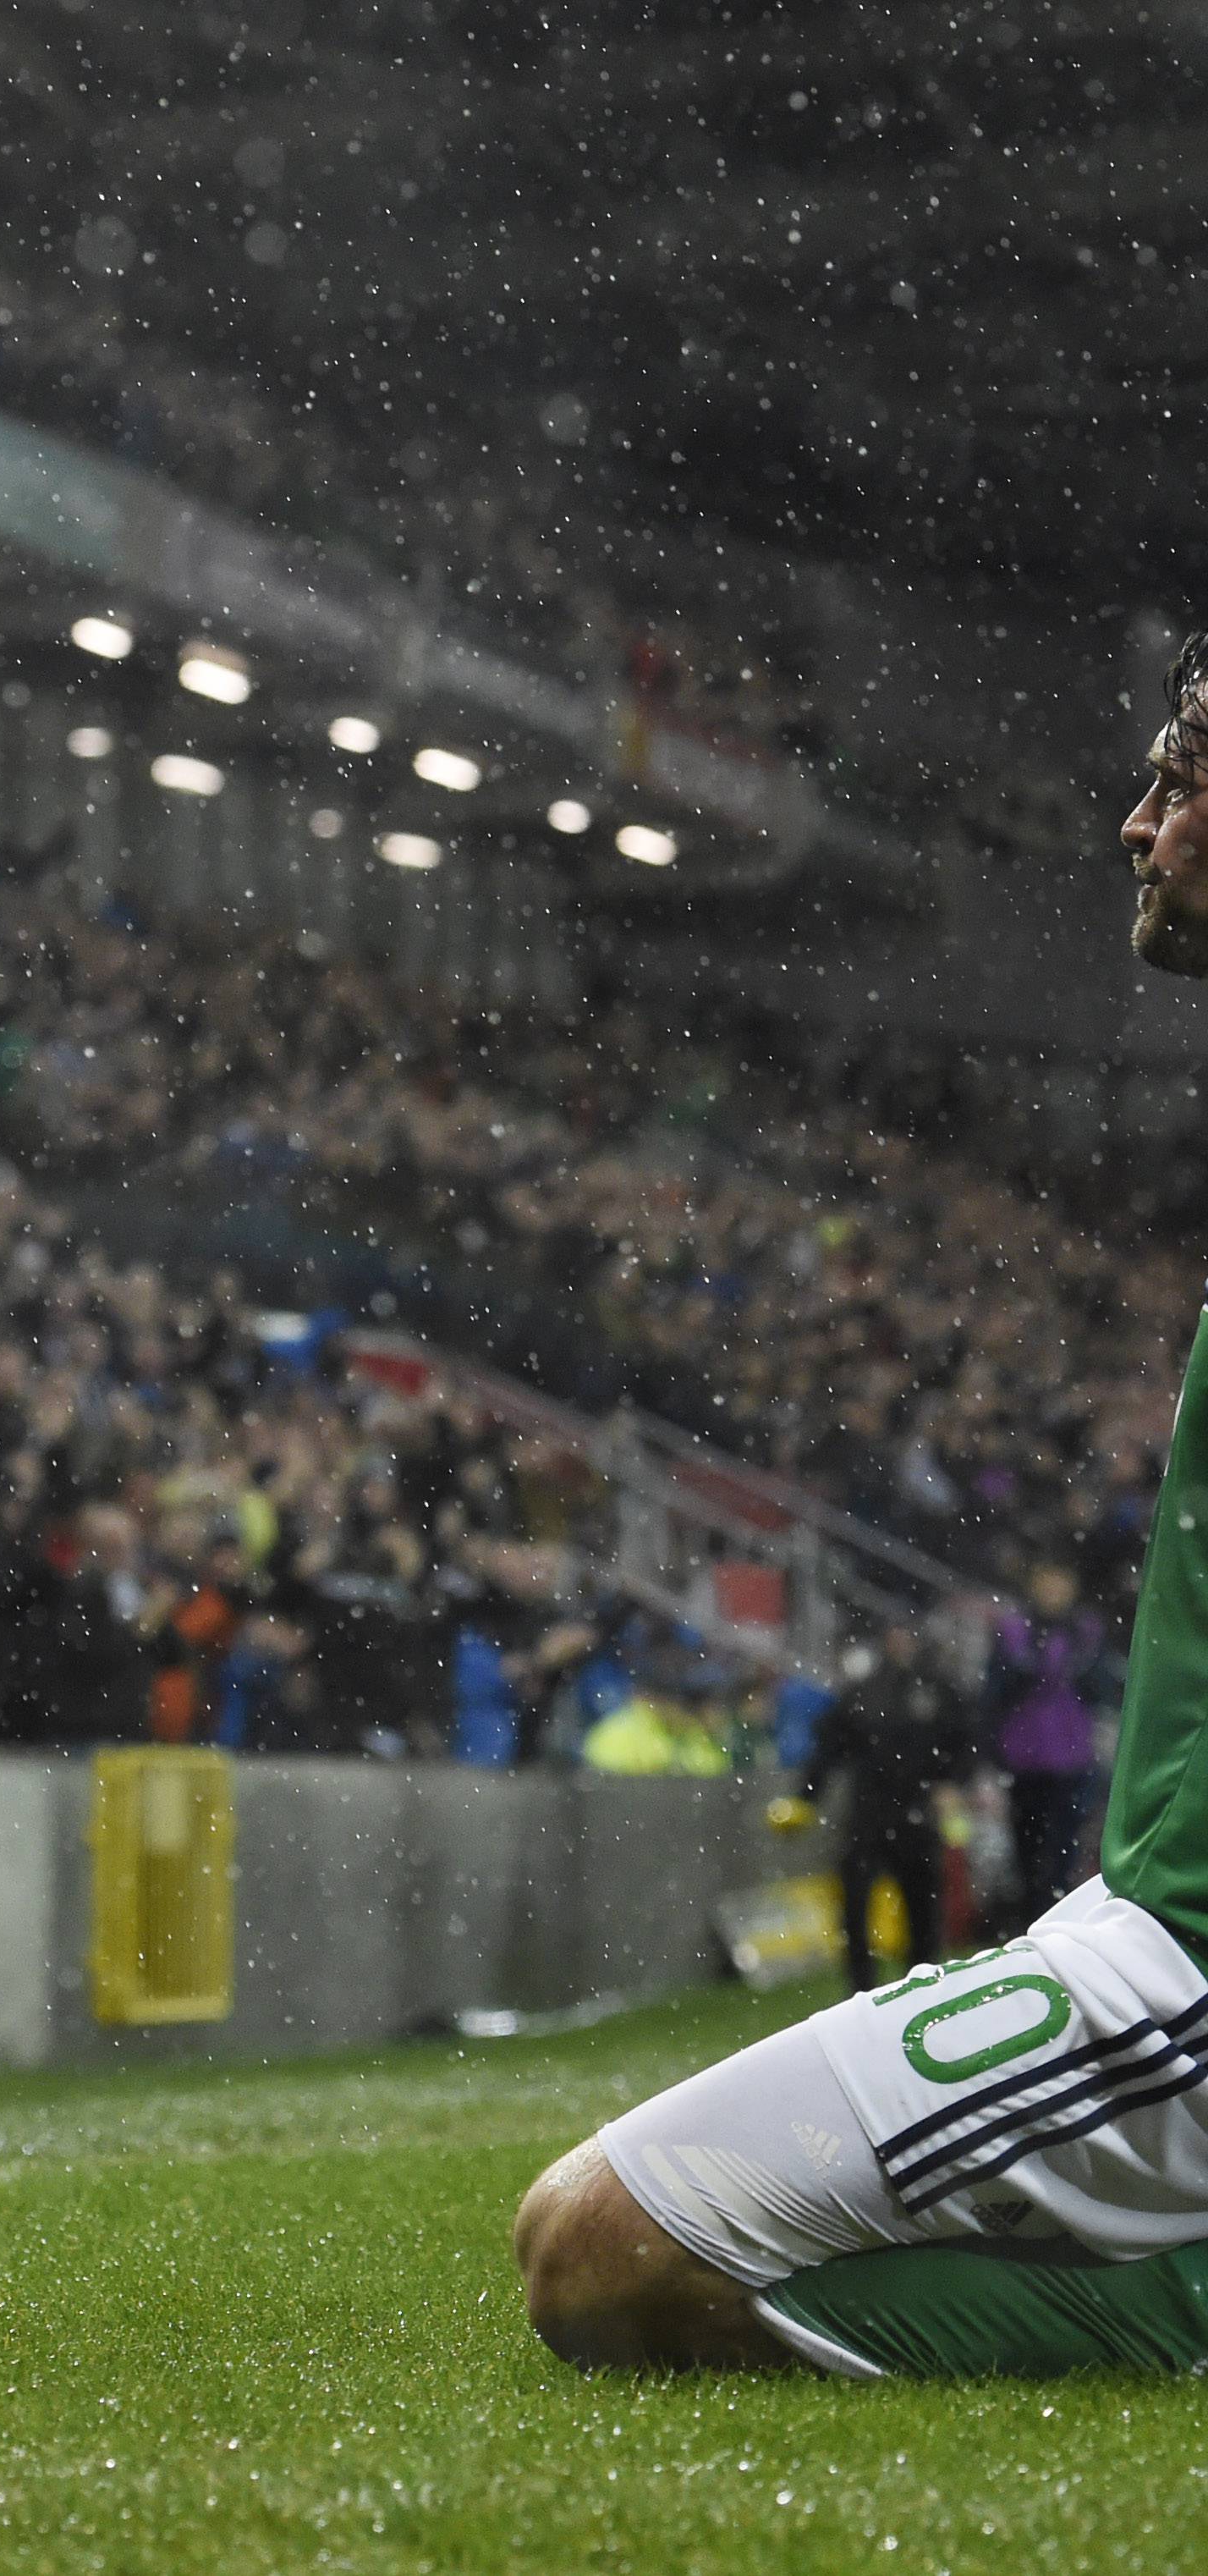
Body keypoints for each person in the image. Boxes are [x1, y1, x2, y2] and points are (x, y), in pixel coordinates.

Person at [512, 633, 1208, 2378]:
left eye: (1183, 776)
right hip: (1144, 1919)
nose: (1138, 822)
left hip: (1189, 1960)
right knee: (584, 2240)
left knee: (602, 2253)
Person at [790, 1620, 974, 1991]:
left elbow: (965, 1742)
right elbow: (830, 1747)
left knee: (921, 1906)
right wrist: (806, 1796)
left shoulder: (938, 1691)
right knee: (856, 1905)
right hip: (871, 1811)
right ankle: (861, 1988)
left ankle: (920, 1985)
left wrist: (953, 1783)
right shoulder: (864, 1691)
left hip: (917, 1810)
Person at [988, 1561, 1103, 1925]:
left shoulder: (1086, 1633)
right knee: (1026, 1852)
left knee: (1064, 1852)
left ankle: (1058, 1925)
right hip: (1025, 1761)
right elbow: (994, 1695)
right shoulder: (1014, 1632)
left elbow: (1100, 1689)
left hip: (1071, 1760)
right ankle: (1032, 1924)